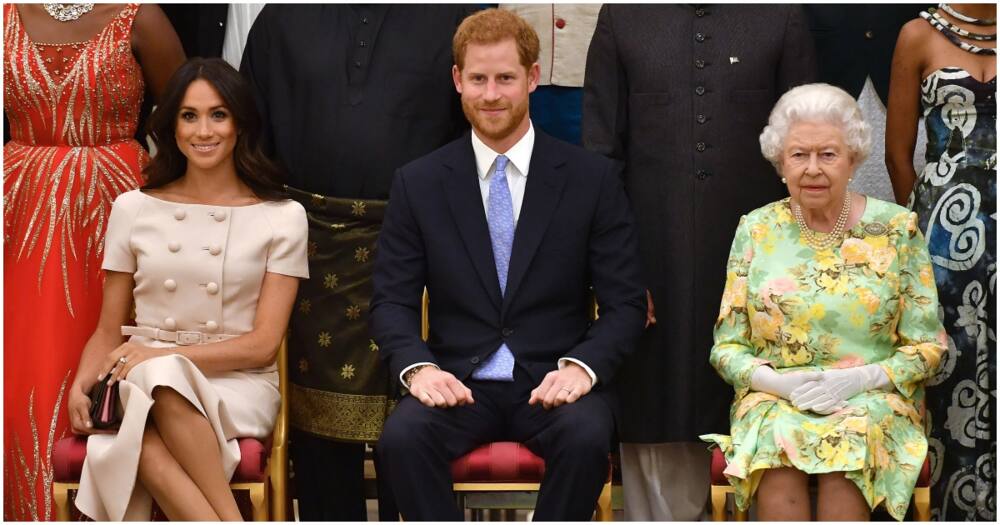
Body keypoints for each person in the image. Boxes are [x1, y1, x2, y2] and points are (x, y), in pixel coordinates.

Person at [371, 8, 646, 520]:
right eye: (478, 78)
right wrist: (418, 368)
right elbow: (391, 300)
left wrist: (583, 368)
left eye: (505, 78)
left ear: (533, 78)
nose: (491, 94)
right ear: (457, 80)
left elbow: (626, 303)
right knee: (401, 440)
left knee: (587, 437)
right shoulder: (419, 182)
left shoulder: (592, 180)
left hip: (552, 381)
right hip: (457, 382)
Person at [239, 6, 477, 519]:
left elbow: (480, 132)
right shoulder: (282, 19)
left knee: (418, 426)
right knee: (320, 442)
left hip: (424, 250)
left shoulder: (460, 15)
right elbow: (249, 134)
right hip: (310, 250)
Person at [581, 5, 817, 520]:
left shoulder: (780, 15)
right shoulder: (623, 17)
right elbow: (600, 157)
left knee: (765, 412)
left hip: (760, 268)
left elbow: (807, 150)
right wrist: (618, 275)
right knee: (656, 410)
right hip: (650, 262)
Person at [67, 58, 308, 521]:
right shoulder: (132, 208)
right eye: (189, 115)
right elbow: (107, 328)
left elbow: (262, 346)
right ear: (172, 126)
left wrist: (159, 359)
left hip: (237, 384)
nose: (204, 130)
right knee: (145, 417)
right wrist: (81, 384)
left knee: (149, 401)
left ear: (240, 123)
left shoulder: (282, 215)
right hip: (141, 374)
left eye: (218, 114)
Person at [701, 83, 947, 521]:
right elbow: (727, 347)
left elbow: (928, 347)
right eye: (799, 155)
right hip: (777, 398)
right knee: (777, 443)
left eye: (828, 154)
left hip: (872, 398)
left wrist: (861, 380)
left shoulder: (896, 229)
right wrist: (779, 385)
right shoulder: (756, 229)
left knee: (847, 446)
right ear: (780, 162)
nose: (813, 169)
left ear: (853, 159)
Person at [2, 4, 184, 520]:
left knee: (109, 349)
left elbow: (184, 112)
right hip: (17, 208)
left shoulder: (141, 16)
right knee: (22, 370)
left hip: (118, 205)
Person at [885, 3, 996, 520]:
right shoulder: (916, 35)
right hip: (944, 237)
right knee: (948, 363)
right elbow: (897, 153)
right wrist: (921, 234)